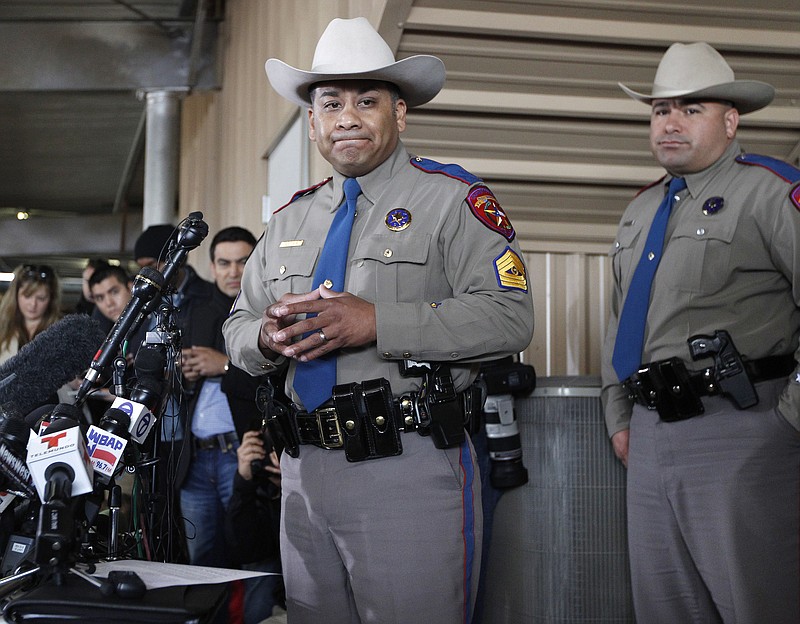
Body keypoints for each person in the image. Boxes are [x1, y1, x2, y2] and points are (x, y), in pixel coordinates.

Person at [223, 17, 534, 624]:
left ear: (400, 113)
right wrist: (264, 337)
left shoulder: (452, 201)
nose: (347, 117)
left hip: (407, 466)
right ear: (312, 121)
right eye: (331, 103)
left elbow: (509, 316)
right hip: (304, 473)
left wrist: (377, 322)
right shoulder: (289, 219)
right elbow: (237, 326)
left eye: (367, 101)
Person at [601, 42, 800, 623]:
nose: (671, 123)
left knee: (756, 604)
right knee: (665, 608)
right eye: (661, 109)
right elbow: (618, 321)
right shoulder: (640, 210)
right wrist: (619, 414)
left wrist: (788, 421)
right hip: (649, 433)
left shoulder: (770, 192)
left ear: (731, 120)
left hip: (743, 427)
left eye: (692, 109)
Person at [178, 226, 278, 622]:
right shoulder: (195, 312)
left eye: (243, 261)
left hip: (248, 452)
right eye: (224, 262)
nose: (234, 271)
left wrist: (222, 364)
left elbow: (277, 376)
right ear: (212, 266)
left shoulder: (270, 309)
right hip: (196, 457)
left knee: (256, 558)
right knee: (202, 561)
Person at [0, 264, 61, 364]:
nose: (33, 304)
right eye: (27, 296)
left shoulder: (60, 332)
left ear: (51, 299)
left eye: (41, 298)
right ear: (15, 295)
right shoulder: (2, 329)